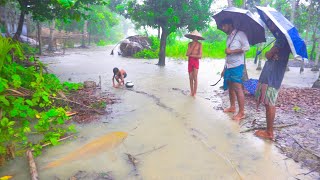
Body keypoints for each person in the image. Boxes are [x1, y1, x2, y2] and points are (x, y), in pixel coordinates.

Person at [254, 19, 291, 140]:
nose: (270, 25)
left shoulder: (281, 39)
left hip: (273, 75)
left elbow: (269, 54)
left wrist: (267, 53)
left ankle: (269, 132)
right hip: (273, 74)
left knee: (270, 103)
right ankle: (268, 130)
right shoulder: (281, 38)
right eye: (268, 23)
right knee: (268, 102)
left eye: (272, 23)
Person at [220, 19, 250, 122]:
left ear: (229, 24)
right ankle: (232, 107)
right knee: (230, 86)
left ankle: (241, 112)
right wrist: (224, 68)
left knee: (237, 87)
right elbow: (227, 54)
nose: (223, 28)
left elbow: (247, 47)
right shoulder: (229, 37)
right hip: (229, 66)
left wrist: (232, 51)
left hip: (237, 65)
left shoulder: (240, 34)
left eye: (224, 26)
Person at [185, 30, 204, 97]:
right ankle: (191, 91)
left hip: (196, 61)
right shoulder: (189, 44)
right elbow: (187, 54)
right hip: (190, 61)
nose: (194, 38)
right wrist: (193, 46)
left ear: (198, 37)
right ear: (192, 37)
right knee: (190, 77)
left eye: (196, 37)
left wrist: (191, 55)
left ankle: (195, 93)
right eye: (193, 37)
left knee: (195, 77)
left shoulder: (200, 44)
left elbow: (200, 56)